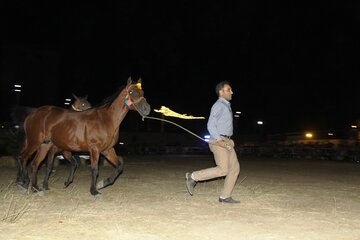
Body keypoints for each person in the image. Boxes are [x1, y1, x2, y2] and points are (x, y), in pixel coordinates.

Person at [186, 81, 240, 203]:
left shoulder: (226, 105)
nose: (232, 92)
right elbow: (211, 125)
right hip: (218, 140)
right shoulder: (219, 105)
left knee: (235, 168)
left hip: (226, 140)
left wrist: (229, 140)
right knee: (223, 169)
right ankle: (193, 177)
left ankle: (225, 197)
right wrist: (220, 140)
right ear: (221, 92)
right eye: (229, 89)